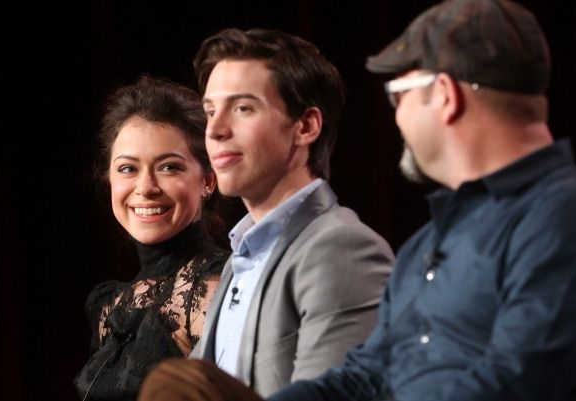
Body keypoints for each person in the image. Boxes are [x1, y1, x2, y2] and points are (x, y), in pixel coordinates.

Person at [138, 1, 576, 401]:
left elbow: (522, 378)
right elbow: (363, 376)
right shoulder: (429, 242)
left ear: (446, 97)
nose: (396, 116)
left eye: (400, 94)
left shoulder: (562, 212)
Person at [141, 27, 394, 398]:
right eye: (211, 111)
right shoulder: (239, 260)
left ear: (305, 126)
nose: (216, 130)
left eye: (243, 108)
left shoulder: (341, 248)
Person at [74, 75, 230, 401]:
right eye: (128, 169)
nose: (145, 188)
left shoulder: (217, 286)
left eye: (169, 167)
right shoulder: (109, 305)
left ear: (208, 181)